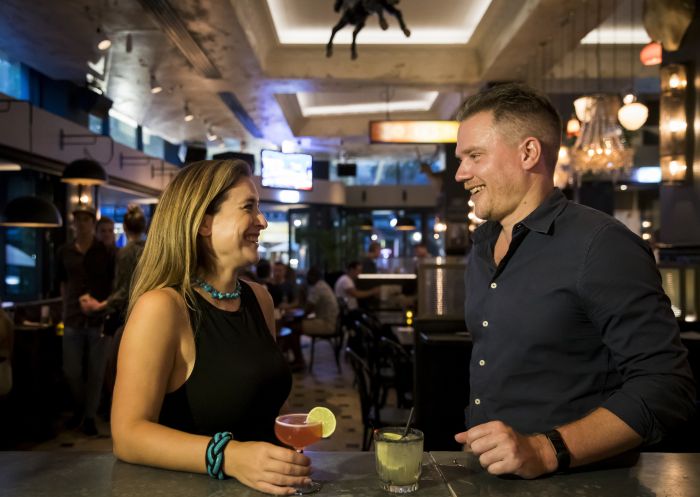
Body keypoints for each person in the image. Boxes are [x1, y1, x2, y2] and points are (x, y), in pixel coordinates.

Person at [452, 83, 696, 478]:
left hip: (578, 482)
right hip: (492, 477)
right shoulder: (483, 245)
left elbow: (667, 387)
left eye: (474, 156)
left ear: (528, 152)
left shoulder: (601, 245)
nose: (461, 173)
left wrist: (547, 450)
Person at [111, 159, 310, 495]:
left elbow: (266, 401)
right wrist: (229, 456)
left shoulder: (260, 299)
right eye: (249, 207)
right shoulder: (162, 307)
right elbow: (128, 434)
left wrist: (290, 441)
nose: (261, 221)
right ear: (204, 222)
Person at [56, 206, 110, 436]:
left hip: (99, 318)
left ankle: (89, 417)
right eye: (78, 221)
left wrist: (105, 305)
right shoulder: (65, 251)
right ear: (74, 224)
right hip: (72, 317)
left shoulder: (104, 251)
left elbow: (113, 283)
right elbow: (62, 283)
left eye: (86, 220)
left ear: (92, 224)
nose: (82, 224)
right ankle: (79, 409)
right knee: (72, 371)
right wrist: (62, 310)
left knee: (96, 373)